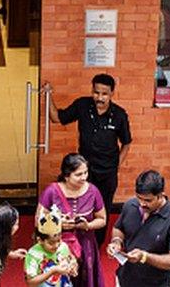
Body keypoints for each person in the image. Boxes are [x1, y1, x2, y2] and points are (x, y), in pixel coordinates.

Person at [48, 74, 132, 244]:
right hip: (84, 172)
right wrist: (48, 95)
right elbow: (57, 118)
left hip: (107, 173)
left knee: (102, 210)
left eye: (104, 94)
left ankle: (96, 245)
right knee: (78, 206)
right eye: (96, 92)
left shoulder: (120, 115)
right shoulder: (82, 105)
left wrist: (116, 166)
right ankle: (75, 241)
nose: (99, 98)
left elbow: (127, 143)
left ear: (112, 93)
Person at [107, 170, 170, 287]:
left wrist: (144, 257)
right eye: (139, 198)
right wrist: (116, 242)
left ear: (161, 195)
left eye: (148, 200)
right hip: (124, 278)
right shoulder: (130, 205)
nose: (142, 204)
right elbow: (118, 228)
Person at [37, 154, 106, 287]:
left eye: (85, 172)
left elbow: (102, 219)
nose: (84, 177)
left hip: (85, 245)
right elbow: (38, 220)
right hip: (57, 245)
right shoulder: (51, 191)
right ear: (66, 175)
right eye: (78, 174)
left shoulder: (93, 191)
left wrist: (88, 225)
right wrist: (58, 223)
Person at [25, 207, 78, 287]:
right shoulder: (33, 254)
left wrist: (73, 266)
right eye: (51, 243)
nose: (56, 245)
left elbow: (71, 258)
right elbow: (31, 282)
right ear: (40, 240)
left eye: (59, 240)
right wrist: (52, 271)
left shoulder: (63, 246)